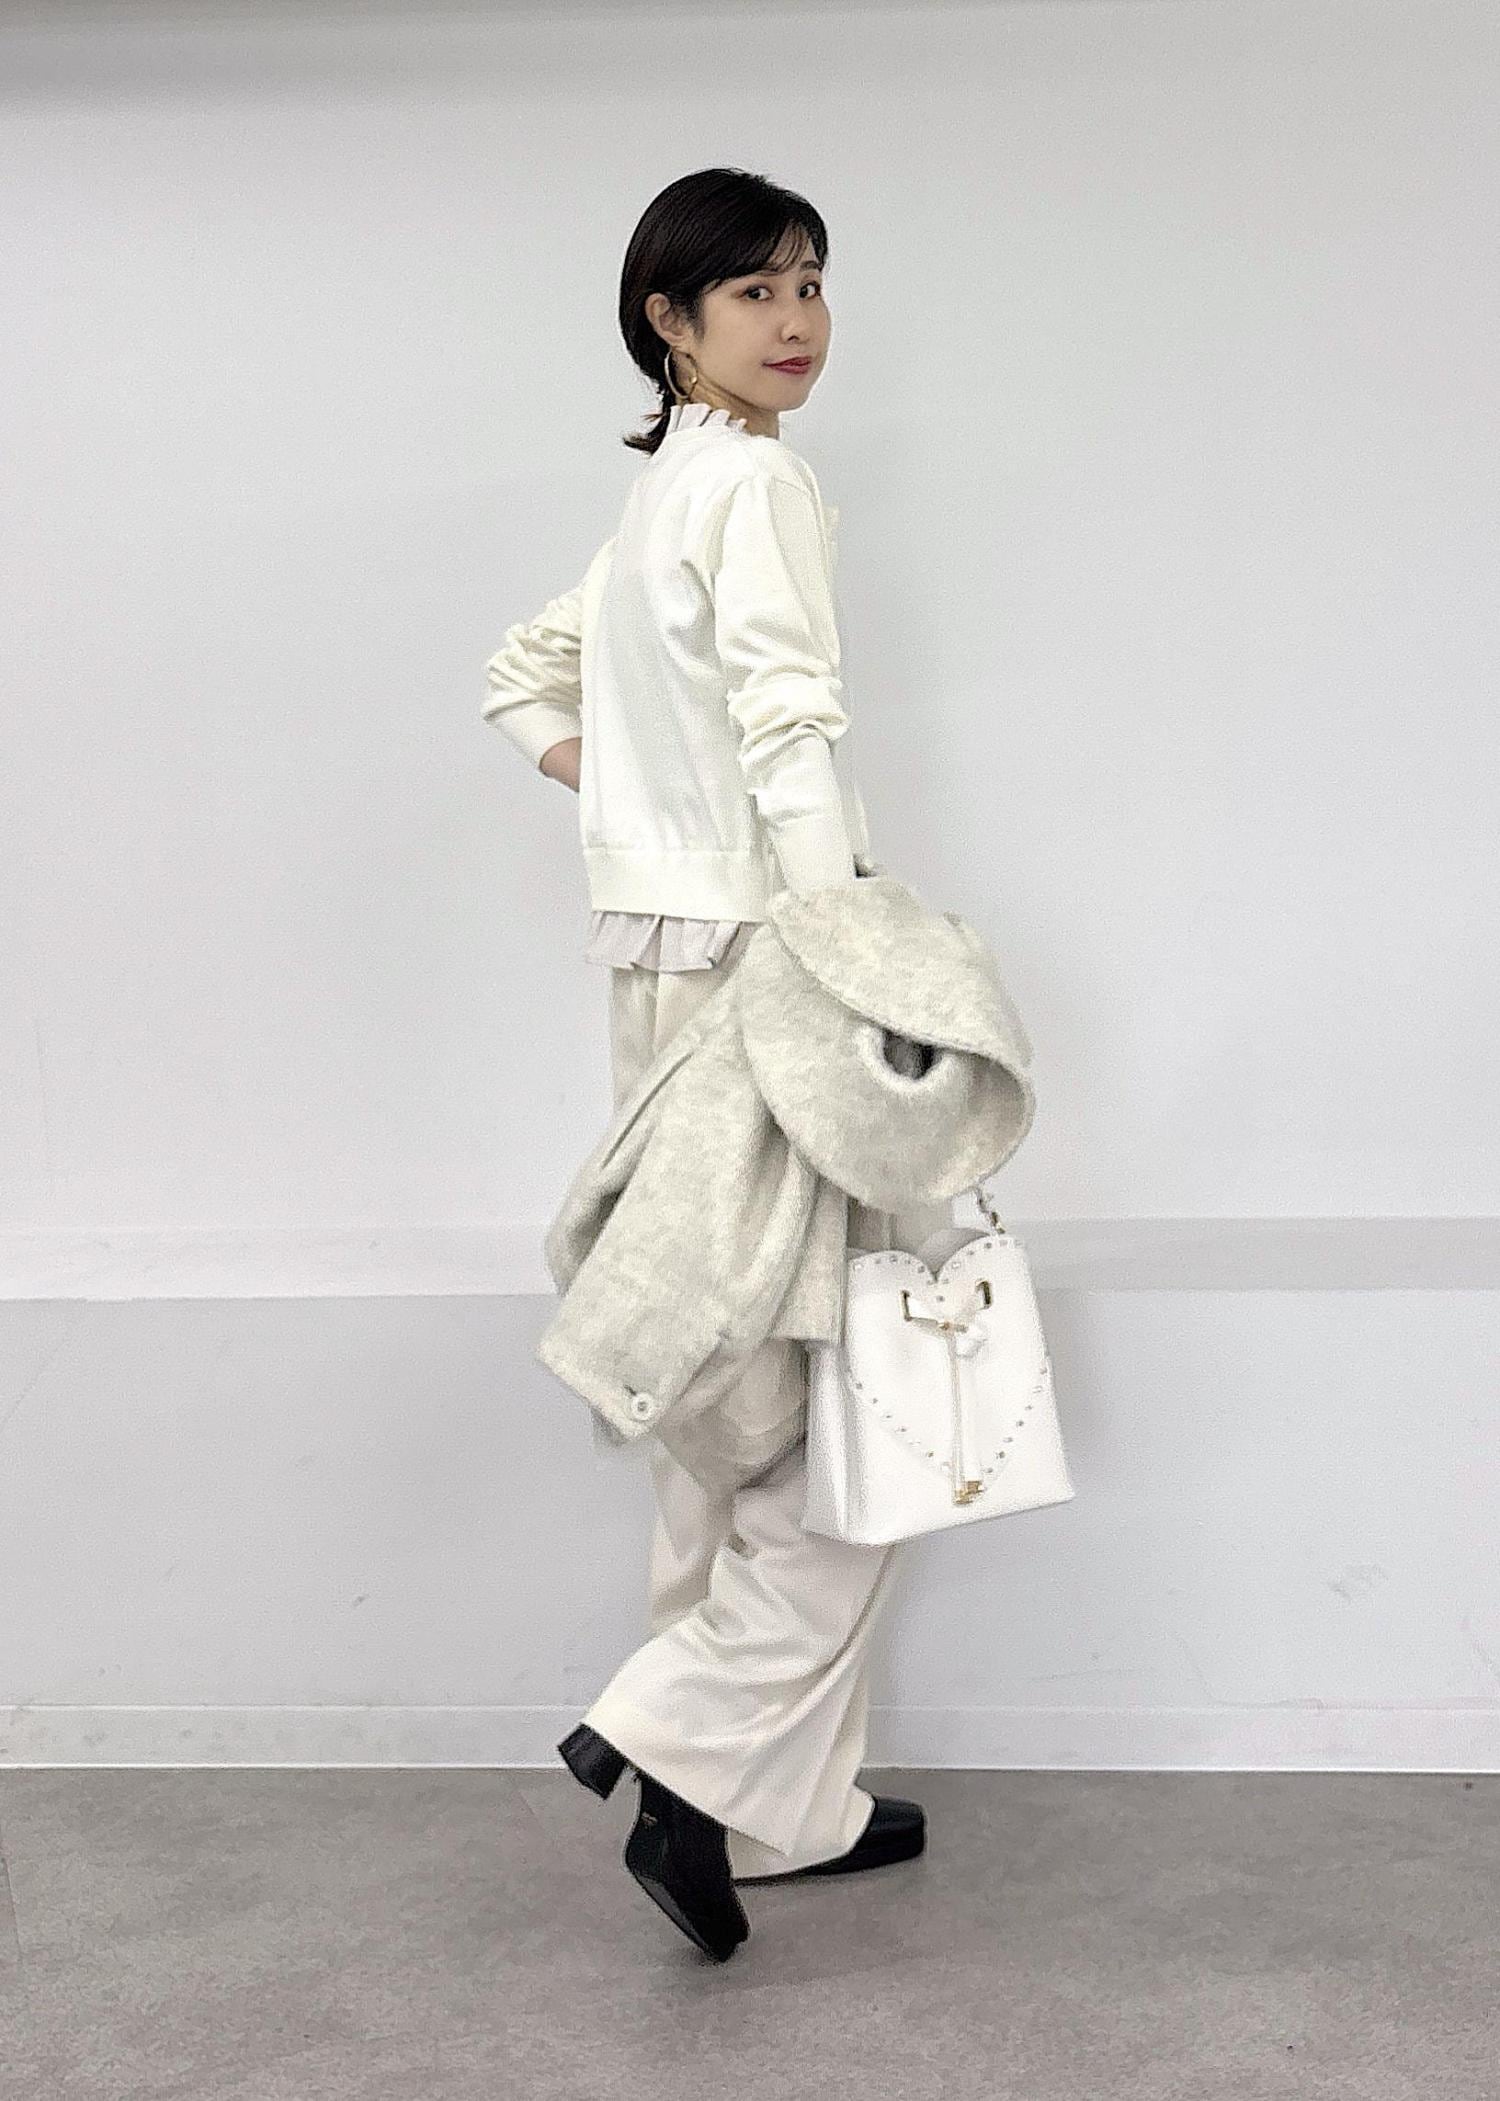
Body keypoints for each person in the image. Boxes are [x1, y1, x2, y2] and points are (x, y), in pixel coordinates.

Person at [482, 168, 948, 1962]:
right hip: (763, 971)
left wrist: (634, 814)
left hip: (658, 973)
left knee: (712, 1389)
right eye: (753, 290)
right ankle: (687, 1747)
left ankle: (767, 1811)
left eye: (812, 281)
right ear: (667, 323)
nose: (798, 319)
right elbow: (788, 720)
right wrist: (851, 957)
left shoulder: (667, 485)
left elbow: (522, 678)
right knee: (843, 1389)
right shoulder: (749, 481)